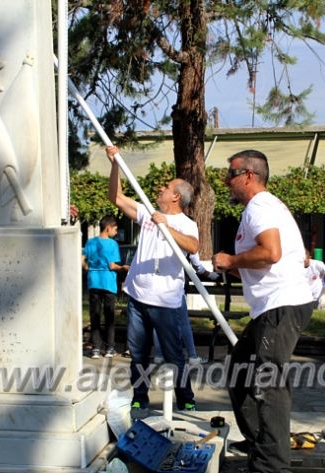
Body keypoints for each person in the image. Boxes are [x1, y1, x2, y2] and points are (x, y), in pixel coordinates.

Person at [212, 149, 313, 473]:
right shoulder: (259, 209)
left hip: (281, 305)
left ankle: (272, 465)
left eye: (230, 175)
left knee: (269, 383)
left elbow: (270, 252)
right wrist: (227, 268)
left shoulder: (260, 206)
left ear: (248, 176)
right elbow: (267, 262)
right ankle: (263, 442)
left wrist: (230, 260)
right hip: (270, 307)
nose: (226, 181)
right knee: (239, 373)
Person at [105, 145, 198, 413]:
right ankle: (140, 397)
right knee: (138, 354)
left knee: (173, 355)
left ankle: (186, 398)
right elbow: (116, 197)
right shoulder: (146, 213)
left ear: (176, 197)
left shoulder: (186, 224)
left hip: (166, 300)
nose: (160, 189)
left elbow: (192, 247)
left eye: (166, 188)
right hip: (137, 295)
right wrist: (115, 165)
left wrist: (166, 226)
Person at [153, 253, 219, 365]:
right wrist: (212, 275)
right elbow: (197, 266)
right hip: (176, 286)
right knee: (183, 323)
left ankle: (159, 355)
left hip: (158, 285)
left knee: (158, 321)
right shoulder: (188, 240)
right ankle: (192, 355)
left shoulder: (158, 240)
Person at [82, 215, 129, 359]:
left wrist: (88, 269)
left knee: (94, 315)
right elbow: (112, 266)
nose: (116, 232)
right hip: (108, 283)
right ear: (108, 228)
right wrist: (123, 268)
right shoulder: (112, 244)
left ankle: (96, 348)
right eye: (115, 229)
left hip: (93, 282)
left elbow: (82, 261)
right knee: (109, 317)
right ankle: (109, 348)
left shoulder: (90, 242)